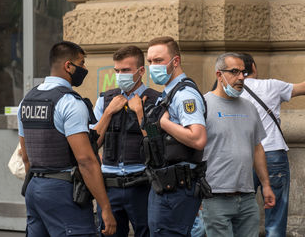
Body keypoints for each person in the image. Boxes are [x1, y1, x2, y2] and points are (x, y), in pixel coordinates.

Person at [17, 41, 116, 236]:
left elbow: (26, 156)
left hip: (34, 187)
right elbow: (86, 160)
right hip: (63, 191)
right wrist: (105, 207)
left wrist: (38, 183)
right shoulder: (69, 102)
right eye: (81, 63)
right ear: (68, 66)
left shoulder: (26, 100)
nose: (84, 68)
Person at [201, 52, 276, 237]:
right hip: (215, 197)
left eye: (243, 72)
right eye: (234, 72)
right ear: (219, 74)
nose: (241, 77)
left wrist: (266, 185)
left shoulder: (249, 107)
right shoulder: (202, 104)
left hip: (247, 197)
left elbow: (257, 148)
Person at [92, 45, 160, 237]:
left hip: (142, 184)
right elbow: (92, 143)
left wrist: (140, 113)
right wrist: (108, 112)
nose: (121, 75)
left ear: (141, 71)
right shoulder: (105, 100)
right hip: (110, 186)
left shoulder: (155, 100)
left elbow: (156, 141)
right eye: (117, 71)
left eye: (126, 70)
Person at [144, 36, 208, 236]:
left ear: (176, 61)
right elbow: (155, 137)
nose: (153, 66)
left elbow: (198, 138)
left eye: (158, 61)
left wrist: (164, 123)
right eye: (150, 62)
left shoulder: (185, 95)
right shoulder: (166, 94)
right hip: (164, 183)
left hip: (178, 186)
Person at [240, 53, 305, 237]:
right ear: (253, 66)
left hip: (244, 155)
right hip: (273, 152)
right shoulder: (271, 85)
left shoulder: (230, 90)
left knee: (242, 211)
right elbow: (302, 88)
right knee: (276, 214)